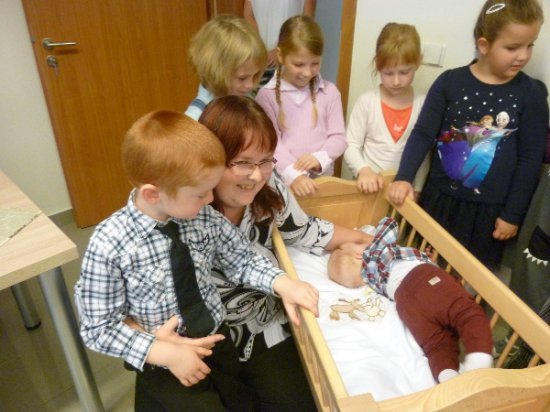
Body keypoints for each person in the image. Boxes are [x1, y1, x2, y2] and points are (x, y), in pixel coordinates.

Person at [74, 110, 319, 412]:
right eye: (201, 194)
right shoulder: (110, 243)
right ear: (153, 194)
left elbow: (241, 260)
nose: (210, 200)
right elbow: (98, 327)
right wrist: (163, 352)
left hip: (217, 343)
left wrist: (282, 283)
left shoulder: (202, 218)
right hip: (164, 359)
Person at [199, 95, 372, 411]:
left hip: (263, 325)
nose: (257, 175)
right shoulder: (189, 209)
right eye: (243, 163)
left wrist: (366, 238)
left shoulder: (269, 188)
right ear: (212, 159)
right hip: (207, 338)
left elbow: (304, 230)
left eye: (266, 160)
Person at [388, 0, 549, 270]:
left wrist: (513, 214)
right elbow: (423, 133)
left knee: (468, 281)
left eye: (529, 45)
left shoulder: (531, 94)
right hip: (438, 203)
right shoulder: (449, 82)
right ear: (484, 45)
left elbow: (530, 160)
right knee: (423, 272)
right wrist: (404, 177)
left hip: (489, 214)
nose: (523, 56)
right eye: (512, 47)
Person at [328, 217, 494, 383]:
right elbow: (389, 223)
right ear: (359, 256)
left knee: (436, 344)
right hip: (421, 279)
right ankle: (479, 359)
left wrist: (428, 260)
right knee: (465, 312)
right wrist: (366, 238)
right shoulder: (374, 252)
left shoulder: (373, 281)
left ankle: (447, 374)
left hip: (405, 304)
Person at [256, 15, 347, 197]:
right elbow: (270, 145)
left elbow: (339, 138)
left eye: (315, 64)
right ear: (280, 55)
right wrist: (294, 176)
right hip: (283, 187)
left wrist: (319, 158)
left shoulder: (330, 92)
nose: (307, 72)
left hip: (322, 187)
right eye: (299, 64)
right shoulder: (266, 96)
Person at [344, 22, 429, 196]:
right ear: (377, 64)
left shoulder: (423, 104)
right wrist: (363, 170)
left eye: (404, 72)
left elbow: (424, 152)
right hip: (367, 191)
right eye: (388, 73)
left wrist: (418, 188)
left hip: (404, 196)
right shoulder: (367, 102)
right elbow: (351, 145)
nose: (396, 81)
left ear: (418, 62)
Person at [185, 14, 267, 120]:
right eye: (242, 78)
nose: (250, 85)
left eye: (255, 75)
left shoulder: (246, 98)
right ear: (215, 72)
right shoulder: (196, 118)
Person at [243, 0, 317, 87]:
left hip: (290, 57)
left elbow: (307, 22)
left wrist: (281, 49)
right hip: (258, 57)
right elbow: (248, 15)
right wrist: (260, 47)